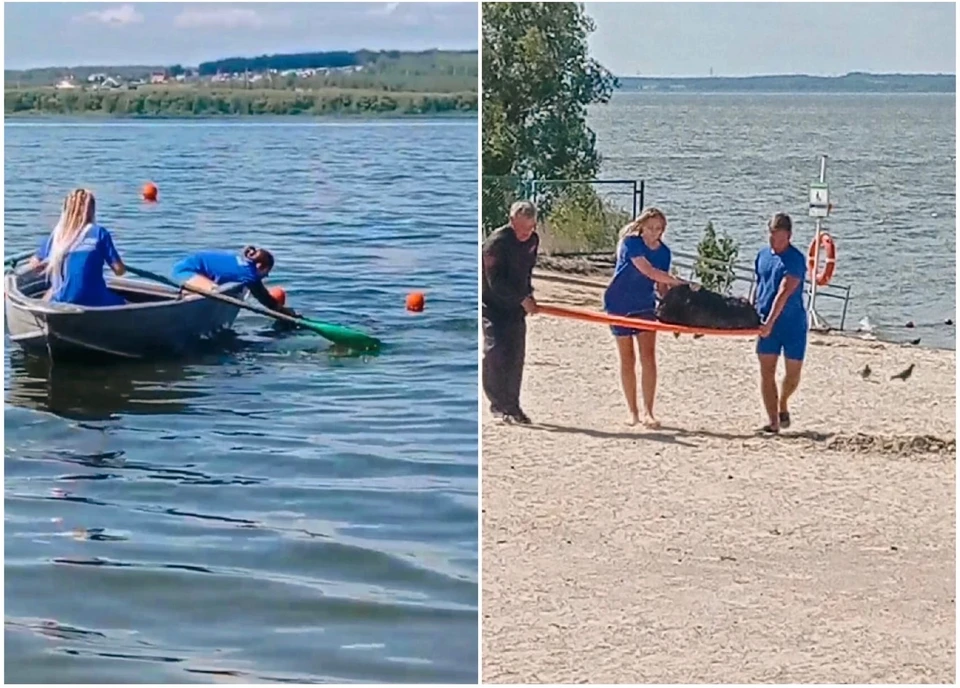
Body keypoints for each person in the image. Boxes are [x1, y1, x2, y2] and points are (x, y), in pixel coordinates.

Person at [603, 207, 687, 428]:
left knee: (648, 357)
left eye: (658, 229)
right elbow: (647, 270)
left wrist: (674, 308)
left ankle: (649, 411)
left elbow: (661, 286)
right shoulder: (632, 243)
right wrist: (679, 281)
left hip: (644, 304)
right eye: (650, 228)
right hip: (619, 302)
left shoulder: (664, 252)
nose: (654, 233)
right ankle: (633, 412)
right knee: (627, 358)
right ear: (642, 227)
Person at [482, 200, 540, 424]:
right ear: (512, 221)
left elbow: (526, 272)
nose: (527, 233)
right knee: (496, 351)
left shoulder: (533, 240)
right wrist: (522, 298)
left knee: (515, 355)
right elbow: (495, 282)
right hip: (492, 304)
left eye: (531, 227)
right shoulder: (496, 244)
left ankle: (513, 405)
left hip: (516, 306)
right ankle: (498, 405)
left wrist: (529, 295)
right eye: (522, 228)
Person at [753, 212, 808, 434]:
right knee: (767, 371)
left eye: (780, 237)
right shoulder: (763, 255)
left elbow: (784, 293)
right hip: (765, 321)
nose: (775, 241)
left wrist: (770, 322)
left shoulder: (796, 259)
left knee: (793, 374)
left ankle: (783, 402)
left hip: (792, 323)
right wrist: (751, 314)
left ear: (789, 236)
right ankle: (773, 421)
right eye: (772, 235)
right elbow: (759, 286)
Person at [28, 188, 127, 307]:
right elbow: (119, 271)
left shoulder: (57, 236)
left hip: (62, 300)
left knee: (51, 293)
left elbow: (34, 262)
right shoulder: (99, 233)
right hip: (95, 300)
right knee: (125, 303)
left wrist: (43, 264)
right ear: (91, 210)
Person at [171, 246, 298, 317]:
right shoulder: (249, 274)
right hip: (186, 271)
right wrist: (288, 313)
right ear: (260, 266)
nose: (267, 275)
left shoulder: (241, 261)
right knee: (214, 292)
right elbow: (265, 300)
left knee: (214, 290)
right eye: (267, 271)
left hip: (189, 266)